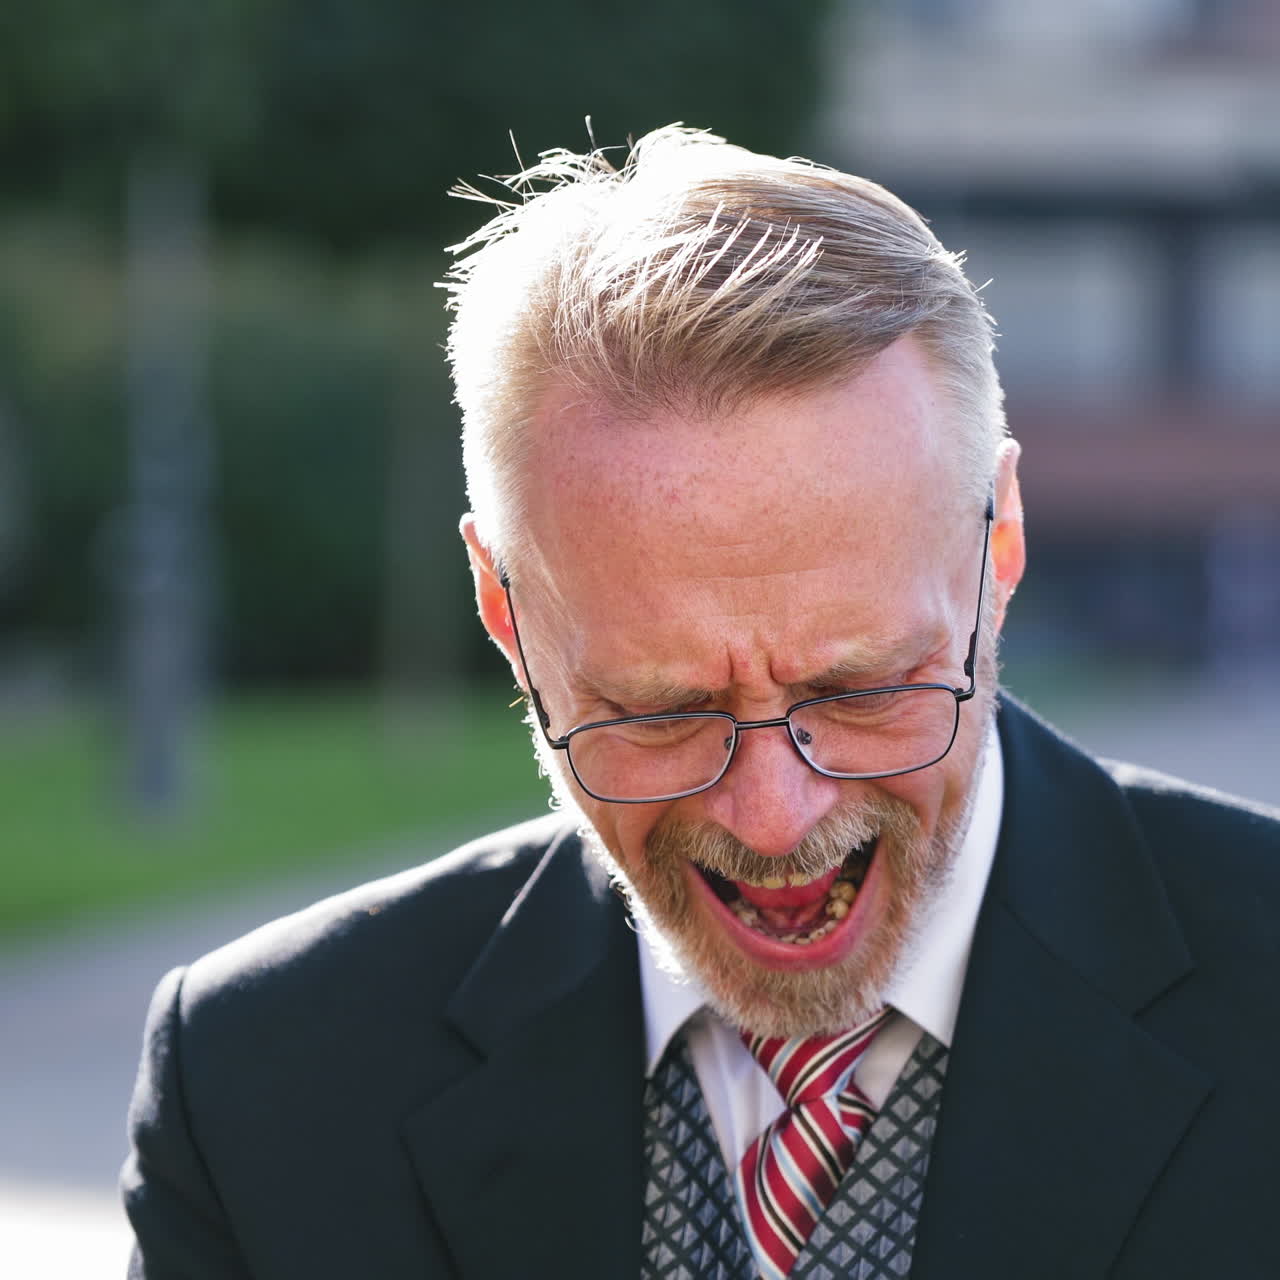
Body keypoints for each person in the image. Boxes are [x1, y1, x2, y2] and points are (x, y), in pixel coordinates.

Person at [122, 127, 1280, 1280]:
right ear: (502, 608)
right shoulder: (260, 1088)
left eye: (857, 687)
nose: (773, 818)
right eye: (660, 709)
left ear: (1000, 541)